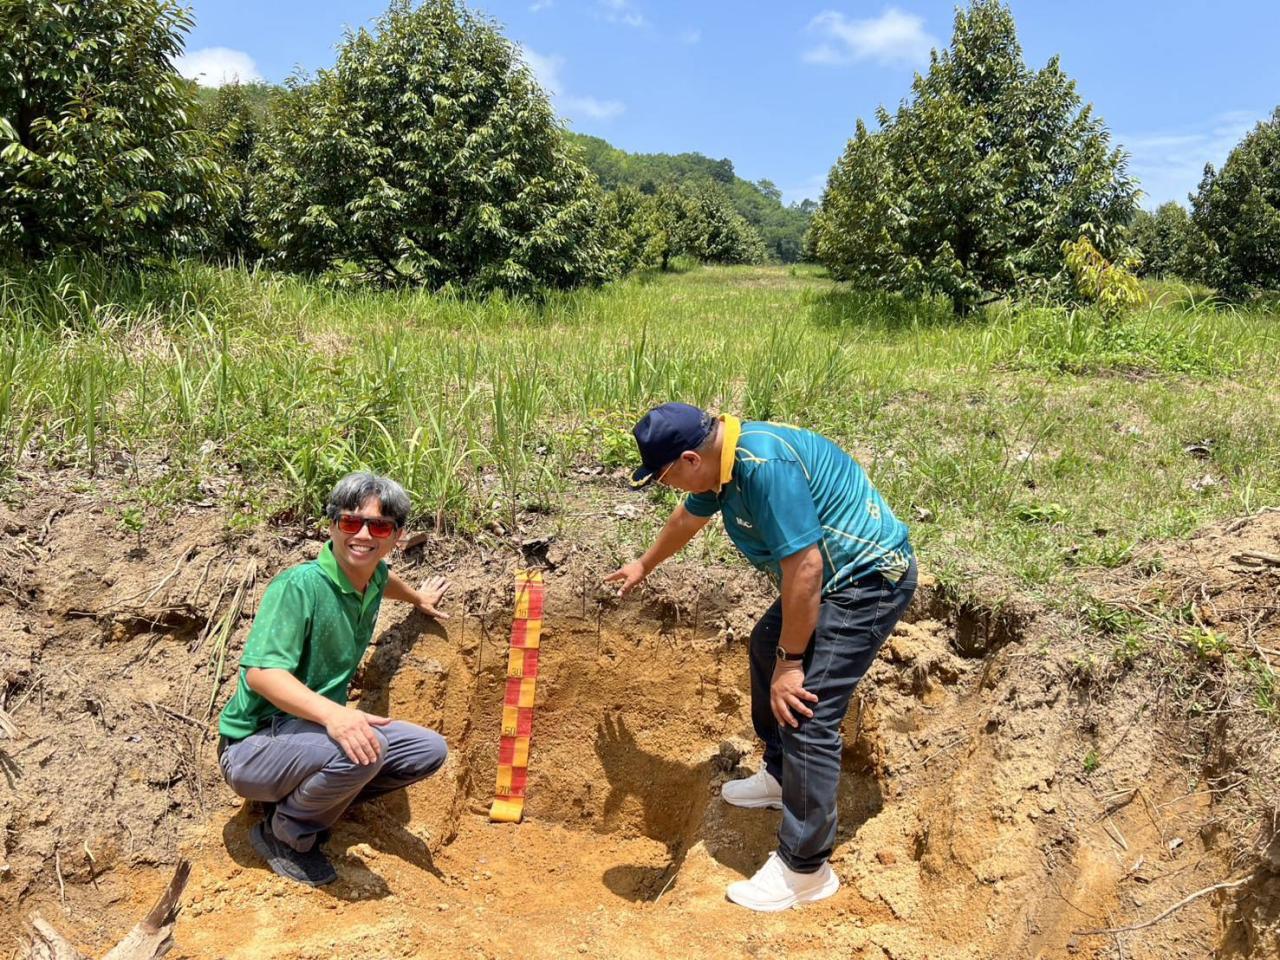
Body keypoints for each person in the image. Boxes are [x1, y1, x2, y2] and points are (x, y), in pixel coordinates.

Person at [606, 404, 917, 912]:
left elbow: (807, 567)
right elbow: (688, 518)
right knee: (761, 644)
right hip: (831, 580)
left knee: (808, 711)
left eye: (664, 478)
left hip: (866, 582)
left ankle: (805, 868)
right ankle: (779, 776)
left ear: (689, 459)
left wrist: (792, 662)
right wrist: (644, 563)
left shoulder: (764, 467)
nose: (669, 489)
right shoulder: (720, 468)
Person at [217, 471, 451, 886]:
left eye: (379, 526)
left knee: (427, 749)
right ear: (332, 525)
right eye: (350, 522)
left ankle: (305, 799)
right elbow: (261, 674)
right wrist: (335, 716)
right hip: (252, 746)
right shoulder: (299, 586)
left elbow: (384, 579)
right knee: (366, 747)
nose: (363, 535)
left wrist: (419, 598)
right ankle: (285, 835)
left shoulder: (370, 576)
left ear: (396, 536)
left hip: (306, 735)